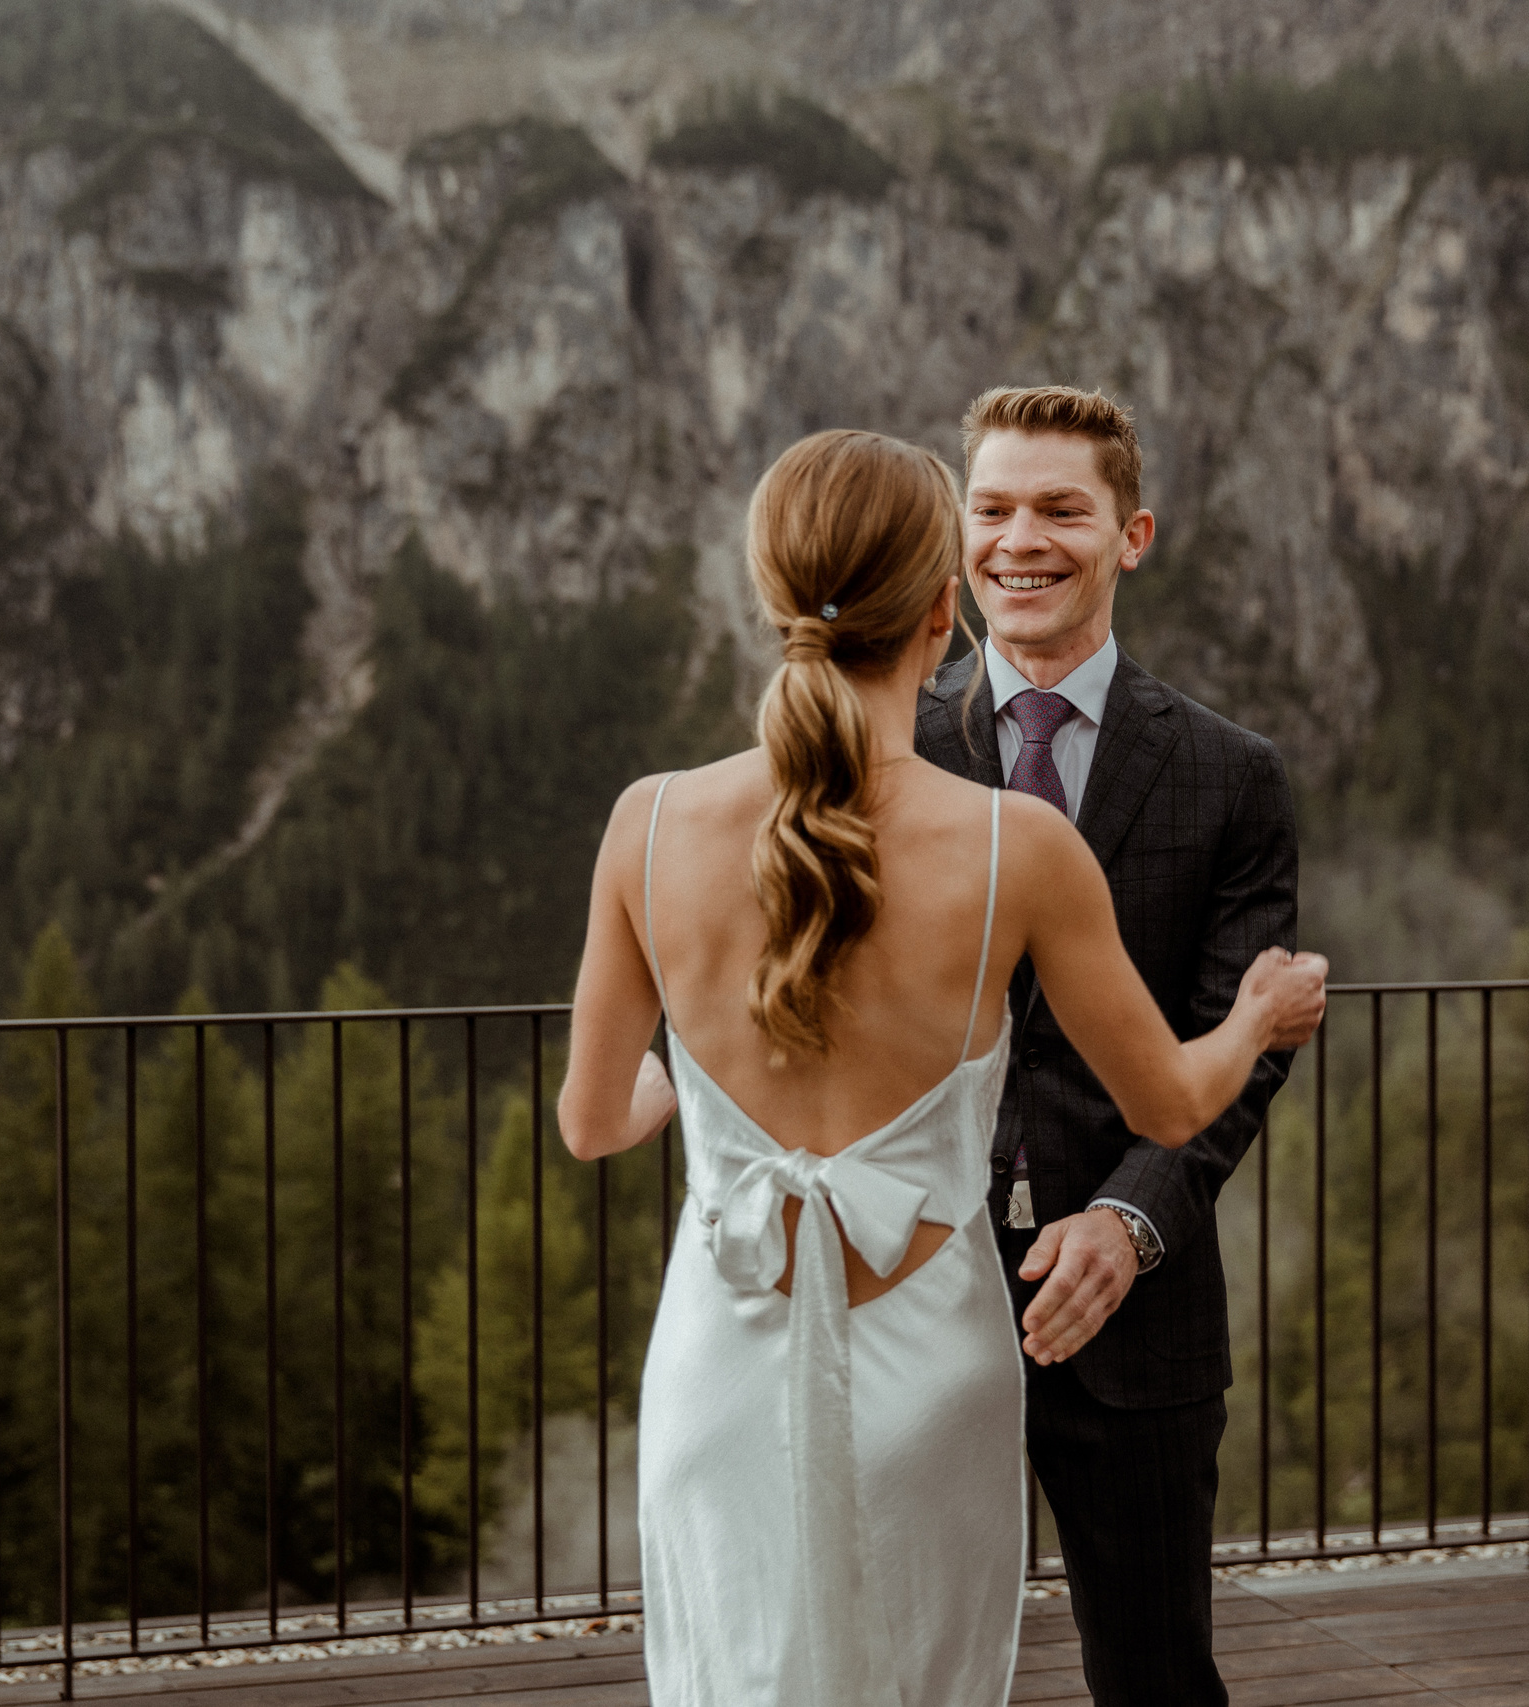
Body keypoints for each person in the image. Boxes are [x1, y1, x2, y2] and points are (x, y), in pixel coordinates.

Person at [558, 427, 1326, 1707]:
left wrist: (693, 1090)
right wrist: (1254, 1018)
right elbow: (1175, 1098)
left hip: (719, 1357)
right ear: (941, 602)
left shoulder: (645, 821)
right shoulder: (1009, 845)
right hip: (928, 1349)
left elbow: (593, 1120)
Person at [915, 385, 1301, 1707]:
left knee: (1153, 1675)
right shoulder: (884, 744)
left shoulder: (1233, 775)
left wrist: (1129, 1220)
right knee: (904, 1670)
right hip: (907, 1288)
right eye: (994, 506)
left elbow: (1235, 1043)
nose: (1021, 538)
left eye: (1060, 508)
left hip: (1138, 1316)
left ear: (1131, 532)